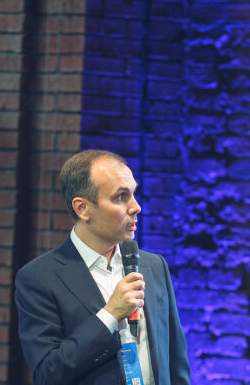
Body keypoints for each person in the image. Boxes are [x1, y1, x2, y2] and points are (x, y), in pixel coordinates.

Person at [15, 149, 190, 385]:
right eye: (121, 197)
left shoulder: (154, 266)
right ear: (83, 208)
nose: (136, 207)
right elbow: (48, 373)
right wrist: (110, 315)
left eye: (134, 194)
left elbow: (176, 362)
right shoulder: (40, 277)